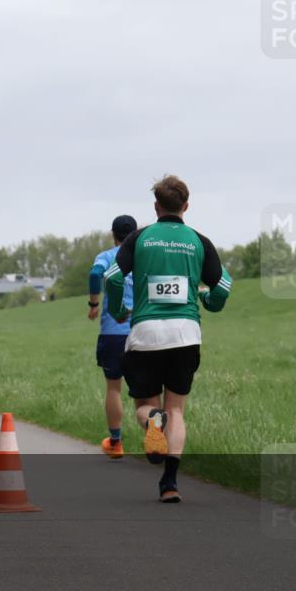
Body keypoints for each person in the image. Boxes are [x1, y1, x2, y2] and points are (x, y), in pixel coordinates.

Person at [105, 176, 232, 503]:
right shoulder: (198, 241)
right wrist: (207, 302)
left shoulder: (141, 237)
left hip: (146, 333)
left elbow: (113, 276)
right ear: (186, 206)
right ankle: (170, 483)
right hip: (185, 333)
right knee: (176, 411)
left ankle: (152, 422)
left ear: (156, 206)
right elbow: (223, 286)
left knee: (146, 407)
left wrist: (119, 309)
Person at [88, 215, 137, 459]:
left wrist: (93, 304)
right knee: (145, 391)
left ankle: (116, 443)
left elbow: (95, 275)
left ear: (113, 235)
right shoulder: (143, 258)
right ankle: (156, 436)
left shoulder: (106, 256)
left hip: (113, 332)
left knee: (114, 388)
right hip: (142, 331)